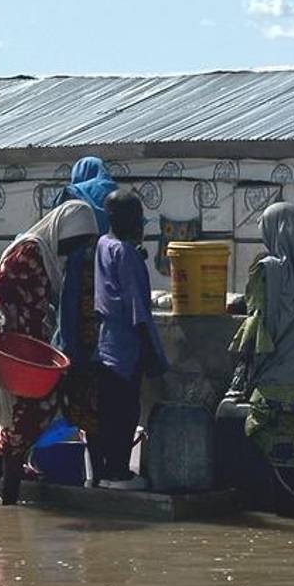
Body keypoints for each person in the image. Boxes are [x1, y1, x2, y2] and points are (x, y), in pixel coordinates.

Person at [0, 200, 99, 504]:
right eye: (75, 243)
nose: (74, 251)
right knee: (17, 428)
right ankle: (3, 504)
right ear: (63, 232)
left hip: (31, 352)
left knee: (14, 431)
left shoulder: (50, 256)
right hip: (10, 352)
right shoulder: (29, 252)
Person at [229, 202, 294, 519]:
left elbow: (257, 325)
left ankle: (289, 513)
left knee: (273, 446)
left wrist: (242, 373)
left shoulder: (268, 271)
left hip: (279, 380)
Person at [92, 190, 167, 484]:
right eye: (137, 220)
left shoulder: (103, 244)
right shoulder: (125, 253)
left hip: (105, 343)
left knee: (107, 414)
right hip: (126, 345)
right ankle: (119, 473)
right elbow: (137, 309)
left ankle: (101, 474)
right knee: (125, 413)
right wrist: (151, 353)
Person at [53, 158, 119, 464]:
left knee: (80, 394)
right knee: (108, 397)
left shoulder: (73, 200)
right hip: (110, 324)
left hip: (79, 313)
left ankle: (92, 466)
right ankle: (109, 465)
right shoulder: (114, 201)